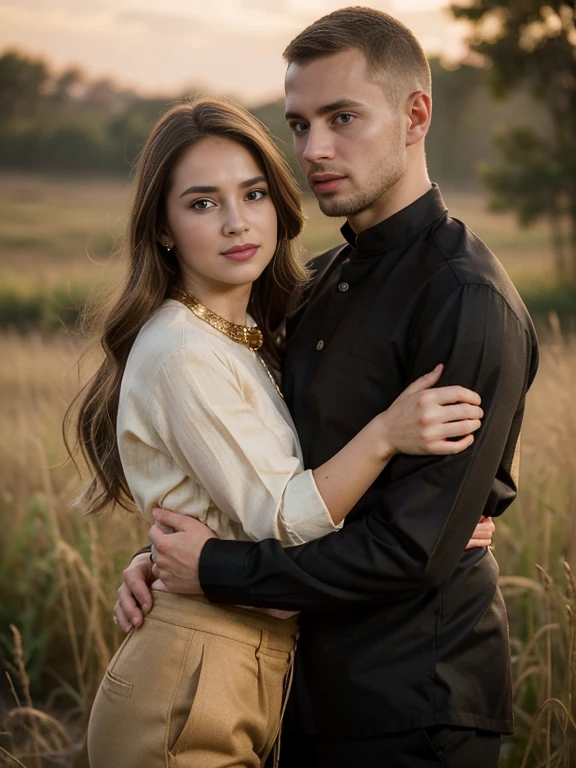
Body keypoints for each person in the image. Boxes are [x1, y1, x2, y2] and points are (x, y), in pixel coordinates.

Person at [116, 9, 539, 768]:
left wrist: (213, 570)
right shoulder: (314, 283)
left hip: (411, 705)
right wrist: (165, 561)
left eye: (343, 118)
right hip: (292, 694)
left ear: (417, 114)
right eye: (300, 123)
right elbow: (260, 475)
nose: (314, 149)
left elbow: (411, 552)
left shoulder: (462, 299)